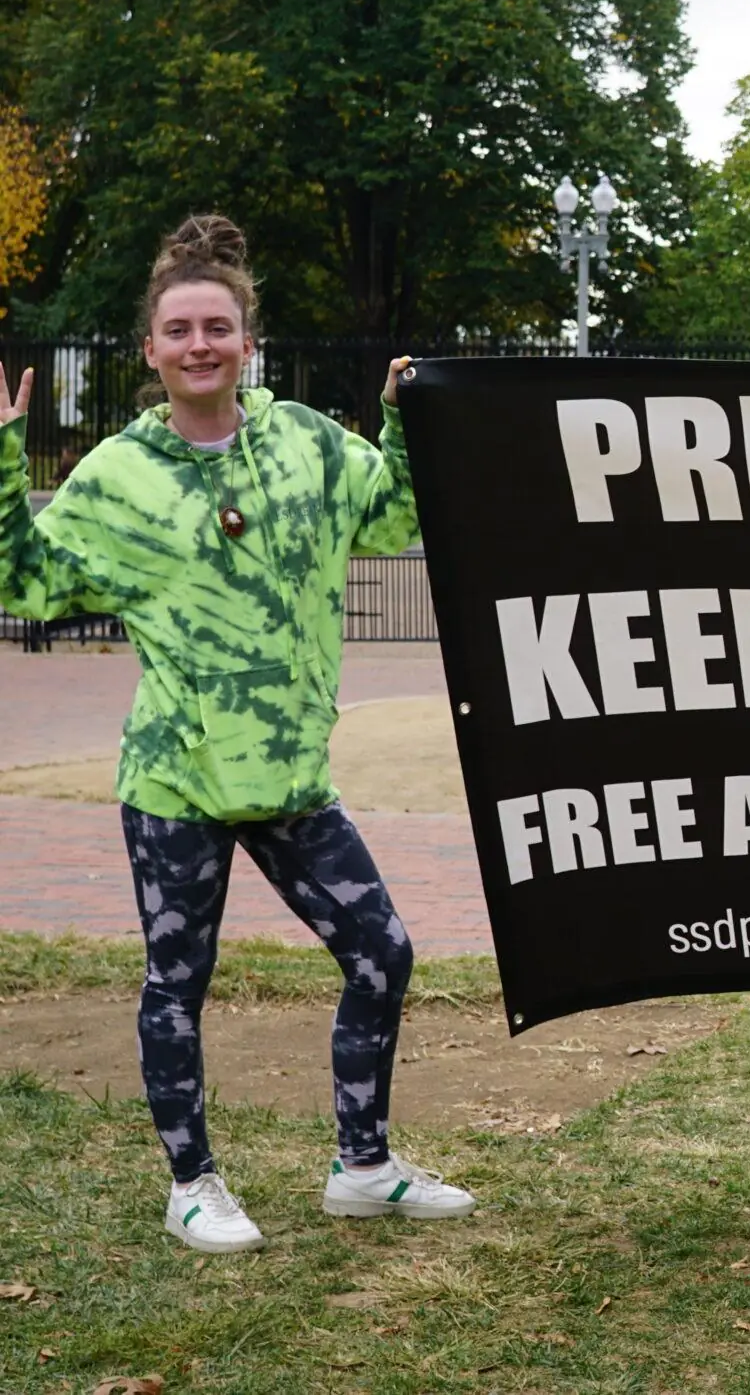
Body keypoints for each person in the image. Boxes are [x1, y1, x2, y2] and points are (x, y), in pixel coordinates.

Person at [0, 215, 474, 1254]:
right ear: (152, 349)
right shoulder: (119, 475)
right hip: (177, 777)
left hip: (291, 776)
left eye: (218, 326)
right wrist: (1, 459)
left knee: (382, 953)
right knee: (179, 983)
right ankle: (192, 1185)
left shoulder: (304, 440)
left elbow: (394, 519)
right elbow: (22, 583)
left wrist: (400, 422)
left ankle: (363, 1167)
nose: (200, 344)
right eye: (180, 330)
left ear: (247, 341)